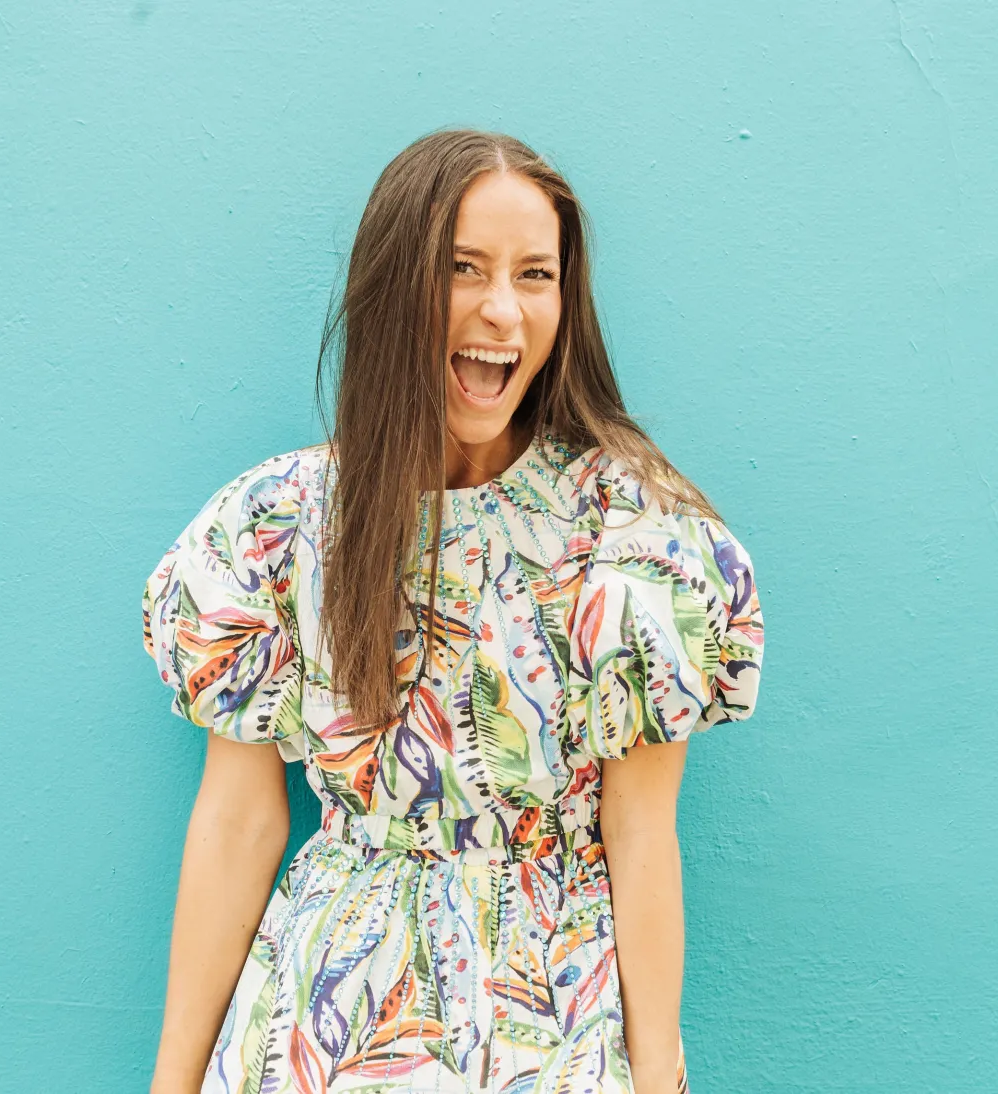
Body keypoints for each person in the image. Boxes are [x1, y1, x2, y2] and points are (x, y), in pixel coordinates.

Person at [140, 129, 765, 1094]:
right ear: (395, 287)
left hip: (552, 1021)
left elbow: (641, 834)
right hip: (325, 1026)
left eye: (536, 274)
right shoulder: (278, 528)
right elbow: (237, 821)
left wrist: (656, 1077)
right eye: (462, 269)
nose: (501, 309)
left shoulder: (632, 537)